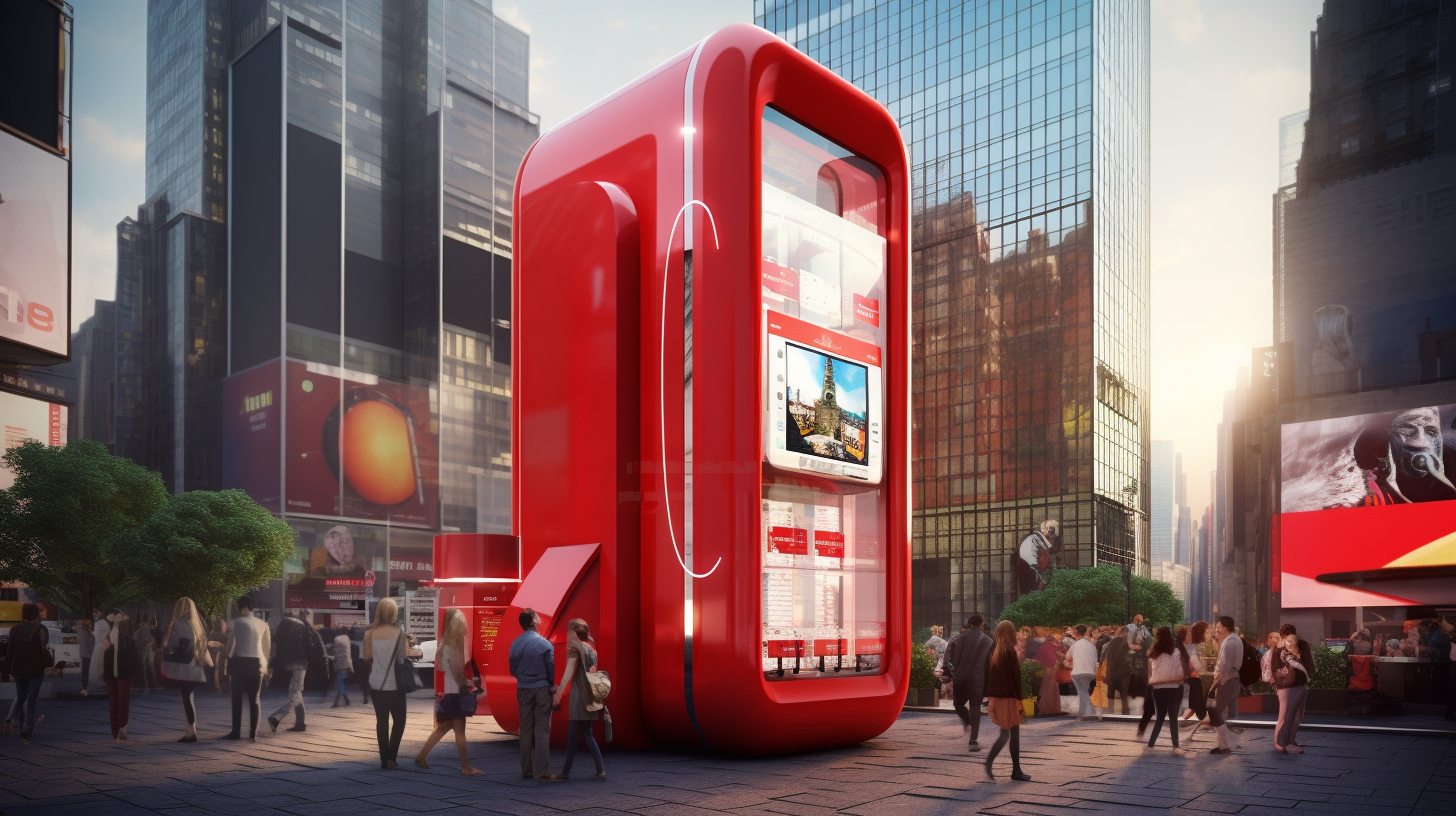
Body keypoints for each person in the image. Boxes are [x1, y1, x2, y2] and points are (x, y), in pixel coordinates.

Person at [415, 609, 483, 776]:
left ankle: (422, 757)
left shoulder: (444, 642)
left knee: (443, 727)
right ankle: (466, 767)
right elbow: (458, 672)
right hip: (454, 694)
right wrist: (468, 684)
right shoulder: (454, 645)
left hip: (446, 692)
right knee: (460, 731)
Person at [362, 598, 421, 768]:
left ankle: (383, 759)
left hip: (376, 683)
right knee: (399, 720)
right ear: (394, 612)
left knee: (381, 721)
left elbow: (367, 657)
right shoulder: (399, 633)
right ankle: (391, 758)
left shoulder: (369, 633)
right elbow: (404, 656)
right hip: (394, 685)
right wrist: (415, 646)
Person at [509, 607, 563, 781]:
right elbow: (550, 671)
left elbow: (513, 670)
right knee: (542, 731)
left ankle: (526, 769)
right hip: (542, 689)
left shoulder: (515, 643)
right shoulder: (545, 644)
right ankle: (543, 771)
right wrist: (551, 688)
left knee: (525, 730)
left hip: (523, 688)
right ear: (533, 622)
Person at [552, 618, 606, 781]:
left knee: (572, 734)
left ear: (574, 633)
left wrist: (557, 695)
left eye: (568, 631)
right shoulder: (591, 649)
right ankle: (600, 770)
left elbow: (569, 673)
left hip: (579, 696)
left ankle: (565, 773)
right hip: (590, 695)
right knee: (588, 734)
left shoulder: (574, 648)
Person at [983, 620, 1031, 782]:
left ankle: (1013, 769)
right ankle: (1011, 769)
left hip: (997, 696)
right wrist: (1019, 699)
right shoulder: (1009, 650)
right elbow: (1016, 677)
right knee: (1011, 733)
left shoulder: (995, 649)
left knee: (1007, 732)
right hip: (1008, 696)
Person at [161, 597, 213, 743]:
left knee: (186, 698)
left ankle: (191, 732)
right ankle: (191, 730)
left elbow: (172, 645)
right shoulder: (196, 625)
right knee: (189, 697)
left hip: (183, 668)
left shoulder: (177, 624)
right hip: (196, 666)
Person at [269, 610, 325, 733]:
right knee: (296, 692)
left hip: (288, 663)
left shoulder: (282, 626)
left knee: (294, 692)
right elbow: (309, 646)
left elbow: (277, 647)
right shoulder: (302, 626)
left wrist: (275, 663)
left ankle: (293, 721)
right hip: (301, 662)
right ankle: (283, 719)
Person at [223, 596, 271, 741]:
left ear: (242, 608)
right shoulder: (263, 624)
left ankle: (236, 732)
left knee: (236, 699)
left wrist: (227, 659)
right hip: (256, 663)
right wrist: (265, 666)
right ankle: (253, 732)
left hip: (239, 663)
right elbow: (266, 648)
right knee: (254, 699)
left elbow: (230, 644)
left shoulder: (235, 623)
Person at [944, 614, 994, 751]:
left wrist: (950, 674)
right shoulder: (988, 641)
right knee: (975, 708)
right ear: (982, 624)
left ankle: (967, 723)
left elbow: (947, 658)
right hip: (977, 679)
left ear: (969, 623)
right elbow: (991, 663)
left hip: (960, 677)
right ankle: (973, 741)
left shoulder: (957, 639)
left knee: (958, 704)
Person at [0, 604, 49, 743]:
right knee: (32, 697)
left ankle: (13, 721)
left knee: (21, 696)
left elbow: (10, 652)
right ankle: (27, 729)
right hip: (36, 667)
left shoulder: (15, 630)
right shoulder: (41, 629)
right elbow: (44, 648)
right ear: (36, 614)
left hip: (19, 668)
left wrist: (7, 670)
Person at [1145, 626, 1191, 756]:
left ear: (1157, 638)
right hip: (1174, 688)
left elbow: (1150, 673)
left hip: (1158, 689)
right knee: (1173, 718)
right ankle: (1175, 745)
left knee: (1160, 717)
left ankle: (1151, 743)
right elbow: (1180, 669)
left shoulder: (1152, 653)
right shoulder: (1176, 652)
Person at [101, 608, 140, 742]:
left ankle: (116, 730)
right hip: (123, 672)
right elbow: (135, 658)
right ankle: (121, 728)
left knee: (114, 701)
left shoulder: (106, 638)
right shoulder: (126, 639)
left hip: (110, 672)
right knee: (122, 700)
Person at [1207, 616, 1243, 754]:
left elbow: (1223, 666)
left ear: (1225, 627)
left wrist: (1215, 681)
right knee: (1218, 712)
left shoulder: (1230, 642)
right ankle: (1222, 744)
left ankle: (1226, 744)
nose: (1216, 628)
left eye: (1218, 626)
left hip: (1227, 680)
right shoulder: (1233, 639)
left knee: (1214, 710)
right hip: (1230, 680)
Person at [1272, 632, 1311, 754]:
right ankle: (1282, 743)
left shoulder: (1290, 653)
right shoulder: (1283, 652)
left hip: (1295, 685)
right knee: (1287, 714)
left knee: (1293, 715)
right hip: (1290, 685)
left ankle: (1288, 742)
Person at [1180, 623, 1211, 742]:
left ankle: (1186, 723)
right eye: (1207, 631)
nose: (1190, 635)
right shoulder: (1191, 647)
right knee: (1197, 702)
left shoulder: (1195, 646)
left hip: (1196, 677)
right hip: (1194, 678)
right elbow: (1195, 663)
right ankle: (1200, 722)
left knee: (1195, 703)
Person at [1015, 519, 1061, 595]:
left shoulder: (1042, 545)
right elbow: (1031, 566)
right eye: (1055, 537)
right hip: (1032, 587)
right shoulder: (1033, 541)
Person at [1066, 625, 1099, 721]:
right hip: (1091, 672)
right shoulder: (1091, 645)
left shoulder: (1075, 645)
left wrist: (1070, 664)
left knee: (1082, 693)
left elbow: (1067, 657)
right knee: (1084, 692)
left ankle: (1083, 714)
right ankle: (1091, 712)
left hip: (1078, 672)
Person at [1101, 626, 1133, 715]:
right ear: (1126, 632)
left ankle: (1108, 712)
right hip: (1123, 671)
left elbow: (1104, 655)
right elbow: (1130, 656)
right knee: (1124, 693)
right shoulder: (1127, 643)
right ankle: (1125, 712)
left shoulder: (1111, 642)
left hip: (1111, 671)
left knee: (1110, 693)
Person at [1032, 636, 1062, 715]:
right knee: (1051, 688)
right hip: (1051, 669)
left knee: (1046, 688)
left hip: (1047, 669)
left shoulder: (1044, 647)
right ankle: (1050, 708)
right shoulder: (1051, 647)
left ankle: (1045, 708)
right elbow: (1055, 659)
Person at [330, 628, 354, 707]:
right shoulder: (346, 639)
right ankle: (345, 700)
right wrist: (350, 666)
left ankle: (339, 702)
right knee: (339, 681)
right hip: (345, 663)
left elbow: (335, 652)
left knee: (339, 682)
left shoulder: (336, 639)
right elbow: (348, 653)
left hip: (338, 664)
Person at [134, 617, 158, 694]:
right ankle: (150, 686)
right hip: (145, 651)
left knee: (148, 668)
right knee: (149, 668)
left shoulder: (139, 631)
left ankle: (148, 686)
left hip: (145, 651)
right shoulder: (142, 630)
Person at [89, 607, 110, 695]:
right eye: (93, 612)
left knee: (99, 660)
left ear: (100, 612)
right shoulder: (102, 622)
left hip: (101, 644)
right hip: (101, 643)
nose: (95, 614)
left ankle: (98, 679)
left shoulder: (100, 623)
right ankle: (97, 679)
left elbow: (98, 635)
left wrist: (92, 632)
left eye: (96, 612)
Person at [208, 615, 229, 692]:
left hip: (212, 659)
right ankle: (219, 685)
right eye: (224, 624)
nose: (226, 626)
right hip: (220, 658)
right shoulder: (224, 636)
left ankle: (217, 685)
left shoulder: (211, 634)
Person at [77, 619, 95, 697]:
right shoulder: (85, 633)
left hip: (87, 653)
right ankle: (85, 687)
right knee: (86, 670)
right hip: (87, 653)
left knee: (86, 670)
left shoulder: (84, 632)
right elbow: (85, 643)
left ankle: (85, 687)